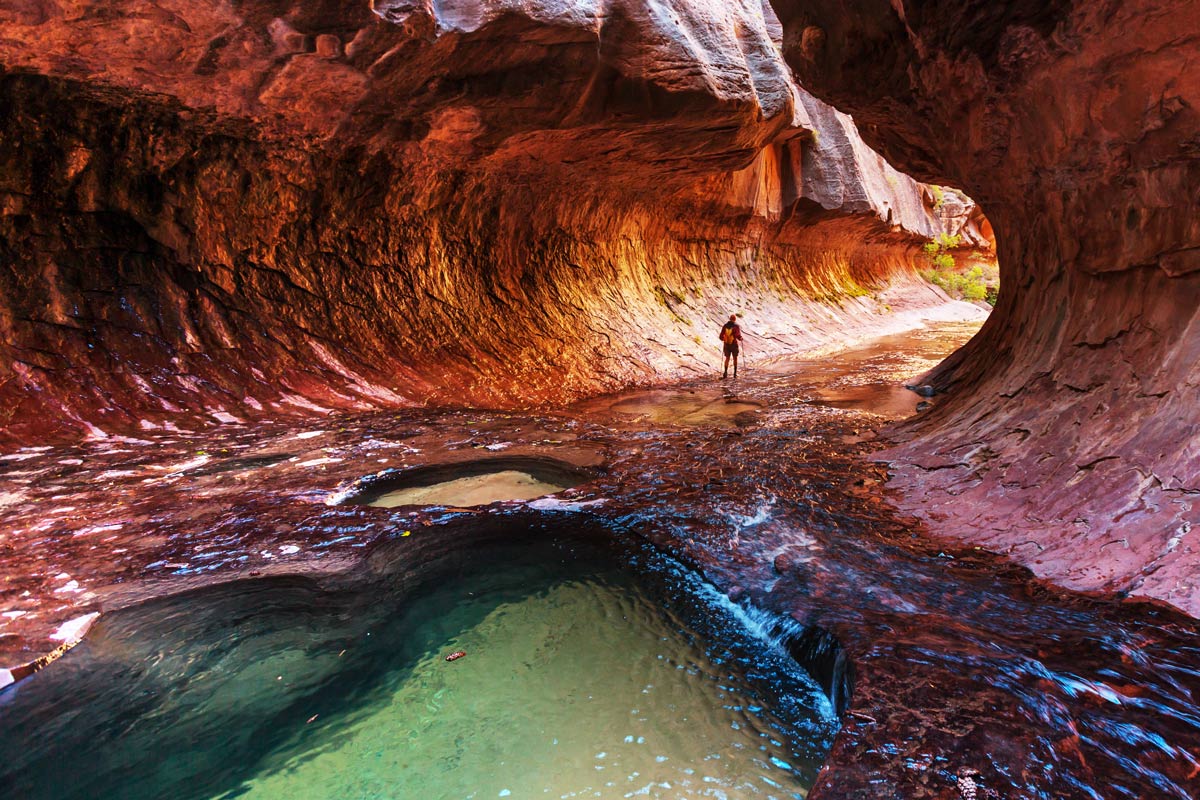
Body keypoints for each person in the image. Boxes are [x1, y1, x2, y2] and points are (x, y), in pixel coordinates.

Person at [718, 314, 743, 378]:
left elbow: (721, 336)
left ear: (730, 319)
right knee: (735, 358)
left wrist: (723, 339)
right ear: (735, 319)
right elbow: (738, 336)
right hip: (734, 344)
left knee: (727, 358)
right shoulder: (736, 326)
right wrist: (740, 338)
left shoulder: (725, 326)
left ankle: (725, 373)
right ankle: (734, 374)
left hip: (726, 344)